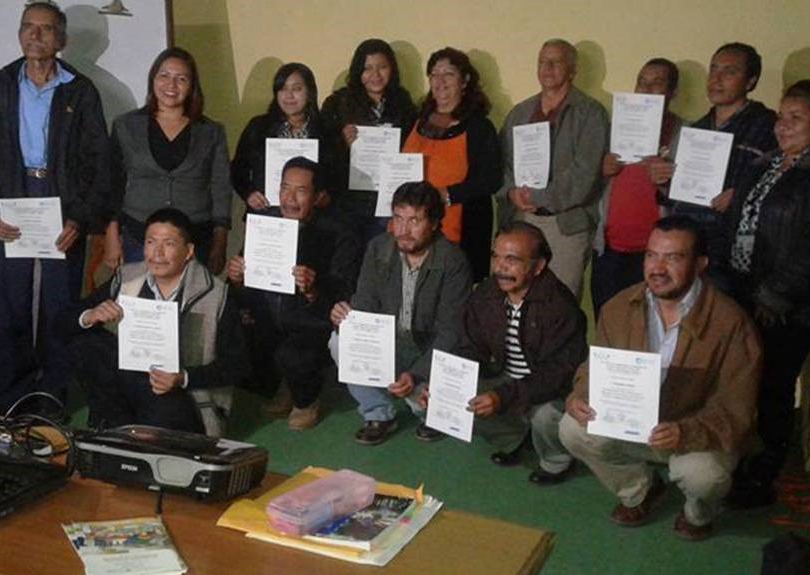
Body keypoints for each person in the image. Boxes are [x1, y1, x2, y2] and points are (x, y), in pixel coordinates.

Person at [559, 216, 761, 540]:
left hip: (693, 435)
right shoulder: (618, 308)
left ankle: (697, 513)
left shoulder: (731, 322)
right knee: (571, 428)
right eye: (651, 255)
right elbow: (594, 367)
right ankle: (640, 490)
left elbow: (737, 408)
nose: (657, 267)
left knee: (704, 477)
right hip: (635, 426)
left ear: (700, 264)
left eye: (673, 257)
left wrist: (685, 431)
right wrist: (579, 395)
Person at [0, 0, 110, 414]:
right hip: (12, 204)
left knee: (60, 306)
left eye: (45, 29)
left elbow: (97, 161)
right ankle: (11, 398)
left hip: (63, 208)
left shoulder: (79, 91)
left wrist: (80, 217)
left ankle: (51, 396)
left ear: (60, 39)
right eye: (28, 26)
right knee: (11, 304)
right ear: (20, 32)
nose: (35, 35)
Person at [719, 76, 810, 508]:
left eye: (796, 118)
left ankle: (763, 475)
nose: (783, 126)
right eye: (781, 116)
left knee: (773, 388)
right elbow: (736, 225)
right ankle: (737, 464)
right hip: (743, 295)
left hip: (788, 309)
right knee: (740, 385)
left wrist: (772, 298)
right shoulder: (766, 165)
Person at [63, 208, 249, 436]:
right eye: (151, 242)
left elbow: (237, 366)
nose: (157, 253)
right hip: (131, 381)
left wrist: (183, 377)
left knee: (155, 435)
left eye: (168, 244)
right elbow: (61, 322)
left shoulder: (216, 295)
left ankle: (138, 432)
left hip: (182, 394)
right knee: (86, 344)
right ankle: (116, 425)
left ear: (188, 251)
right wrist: (90, 315)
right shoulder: (127, 277)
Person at [330, 181, 472, 445]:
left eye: (414, 221)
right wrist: (347, 320)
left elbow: (451, 332)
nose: (403, 230)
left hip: (429, 349)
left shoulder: (453, 261)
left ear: (433, 223)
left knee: (442, 405)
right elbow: (365, 303)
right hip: (391, 343)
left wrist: (416, 373)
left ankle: (427, 409)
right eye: (398, 218)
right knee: (339, 341)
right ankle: (379, 412)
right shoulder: (378, 248)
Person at [226, 157, 362, 430]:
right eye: (285, 188)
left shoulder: (339, 233)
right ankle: (285, 384)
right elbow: (241, 289)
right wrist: (237, 277)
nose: (290, 198)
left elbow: (344, 295)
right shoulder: (264, 223)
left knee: (294, 354)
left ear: (319, 196)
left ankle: (306, 398)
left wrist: (313, 288)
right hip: (267, 318)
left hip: (312, 323)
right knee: (232, 341)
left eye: (300, 190)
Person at [454, 222, 587, 484]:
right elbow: (470, 346)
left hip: (551, 390)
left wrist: (502, 397)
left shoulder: (560, 307)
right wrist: (451, 381)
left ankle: (556, 461)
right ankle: (517, 438)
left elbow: (555, 375)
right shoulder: (486, 294)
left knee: (546, 415)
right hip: (506, 380)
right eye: (496, 257)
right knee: (441, 397)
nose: (500, 267)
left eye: (512, 260)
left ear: (538, 267)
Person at [498, 39, 609, 300]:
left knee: (561, 302)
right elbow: (502, 162)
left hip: (567, 226)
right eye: (542, 61)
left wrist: (538, 197)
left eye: (555, 62)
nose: (547, 68)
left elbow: (585, 173)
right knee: (517, 298)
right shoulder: (520, 112)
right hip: (522, 219)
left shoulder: (590, 113)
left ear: (572, 70)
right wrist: (511, 192)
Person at [104, 47, 231, 275]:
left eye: (181, 79)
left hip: (196, 237)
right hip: (138, 235)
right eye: (164, 76)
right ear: (153, 79)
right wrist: (112, 234)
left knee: (190, 307)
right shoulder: (126, 126)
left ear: (192, 86)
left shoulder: (211, 132)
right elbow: (113, 182)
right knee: (140, 303)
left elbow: (221, 187)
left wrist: (220, 241)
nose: (171, 85)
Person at [591, 58, 684, 318]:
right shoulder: (615, 128)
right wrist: (602, 170)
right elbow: (590, 184)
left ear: (672, 92)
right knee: (609, 322)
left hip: (656, 254)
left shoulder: (684, 132)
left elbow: (694, 195)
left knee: (652, 327)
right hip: (609, 249)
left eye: (656, 84)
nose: (646, 89)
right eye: (642, 82)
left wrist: (667, 181)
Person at [673, 43, 777, 270]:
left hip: (734, 245)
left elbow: (780, 184)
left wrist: (740, 194)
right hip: (691, 242)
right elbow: (677, 197)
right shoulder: (697, 128)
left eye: (729, 72)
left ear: (751, 81)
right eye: (713, 69)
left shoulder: (769, 125)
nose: (716, 79)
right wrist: (664, 182)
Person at [401, 47, 501, 281]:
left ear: (465, 80)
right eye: (434, 74)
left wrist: (448, 194)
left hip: (458, 232)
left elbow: (491, 179)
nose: (440, 81)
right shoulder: (415, 122)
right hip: (410, 230)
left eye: (449, 74)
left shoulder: (479, 127)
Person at [321, 38, 418, 244]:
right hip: (347, 201)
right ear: (358, 71)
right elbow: (322, 153)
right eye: (367, 68)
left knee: (383, 257)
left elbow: (413, 148)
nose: (375, 75)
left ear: (392, 69)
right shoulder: (338, 103)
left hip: (388, 199)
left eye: (382, 67)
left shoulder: (404, 103)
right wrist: (341, 142)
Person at [231, 63, 327, 215]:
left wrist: (325, 196)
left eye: (296, 89)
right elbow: (237, 170)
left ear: (310, 92)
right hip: (266, 213)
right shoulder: (258, 127)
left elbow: (337, 176)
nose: (289, 96)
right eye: (282, 89)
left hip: (312, 220)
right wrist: (248, 193)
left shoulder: (326, 130)